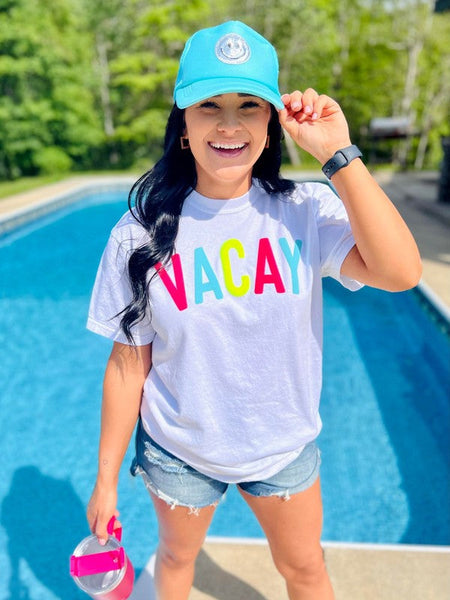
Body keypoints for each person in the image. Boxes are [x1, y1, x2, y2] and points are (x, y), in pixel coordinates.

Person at [86, 20, 421, 600]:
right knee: (174, 560)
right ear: (183, 125)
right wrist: (105, 480)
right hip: (180, 452)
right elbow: (126, 366)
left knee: (306, 570)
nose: (229, 124)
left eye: (249, 106)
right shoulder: (138, 235)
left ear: (271, 123)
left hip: (281, 446)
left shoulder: (304, 211)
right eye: (209, 106)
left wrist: (338, 155)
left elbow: (401, 272)